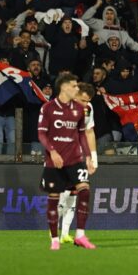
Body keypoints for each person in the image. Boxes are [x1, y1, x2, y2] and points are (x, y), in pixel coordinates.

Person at [38, 73, 96, 250]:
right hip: (55, 161)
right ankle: (55, 239)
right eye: (74, 86)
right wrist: (53, 152)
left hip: (75, 159)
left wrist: (88, 156)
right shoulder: (47, 108)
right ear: (64, 87)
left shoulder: (79, 109)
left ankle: (80, 235)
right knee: (54, 199)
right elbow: (41, 133)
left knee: (84, 190)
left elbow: (82, 133)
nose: (77, 89)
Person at [57, 82, 99, 244]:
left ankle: (65, 234)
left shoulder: (88, 109)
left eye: (88, 101)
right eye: (82, 100)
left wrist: (93, 157)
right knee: (63, 194)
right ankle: (54, 229)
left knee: (76, 195)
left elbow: (89, 132)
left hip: (79, 156)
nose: (85, 104)